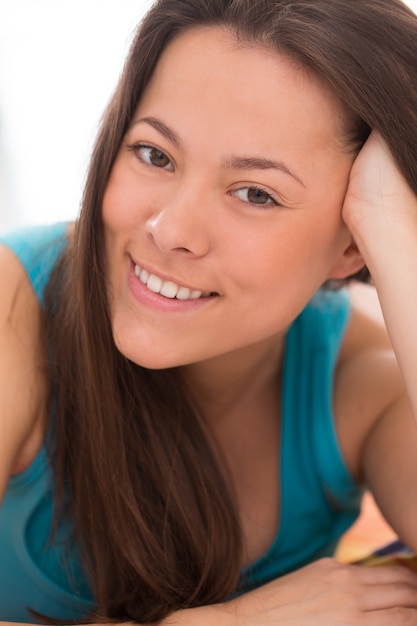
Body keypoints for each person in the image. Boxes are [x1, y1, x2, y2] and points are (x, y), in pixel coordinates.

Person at [1, 0, 417, 623]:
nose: (172, 231)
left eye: (255, 193)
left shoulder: (364, 383)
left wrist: (394, 219)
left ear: (353, 242)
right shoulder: (12, 310)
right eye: (155, 154)